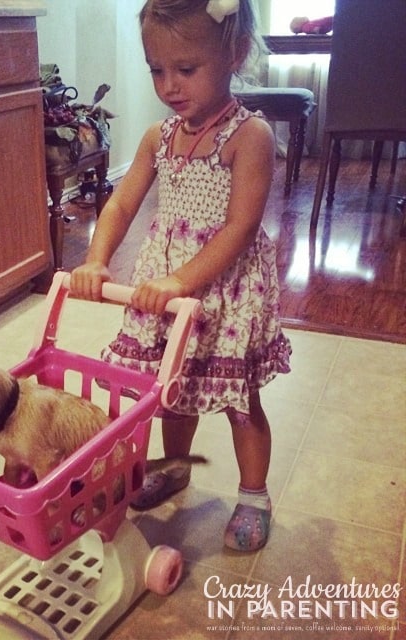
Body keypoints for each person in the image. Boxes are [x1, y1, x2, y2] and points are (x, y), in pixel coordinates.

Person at [70, 0, 292, 552]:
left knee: (241, 399)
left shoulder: (250, 136)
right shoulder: (157, 138)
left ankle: (254, 495)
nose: (169, 85)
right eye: (156, 69)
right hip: (168, 292)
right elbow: (120, 207)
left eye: (186, 69)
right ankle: (175, 468)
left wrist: (182, 280)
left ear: (234, 53)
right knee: (172, 391)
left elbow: (240, 228)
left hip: (224, 291)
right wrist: (97, 259)